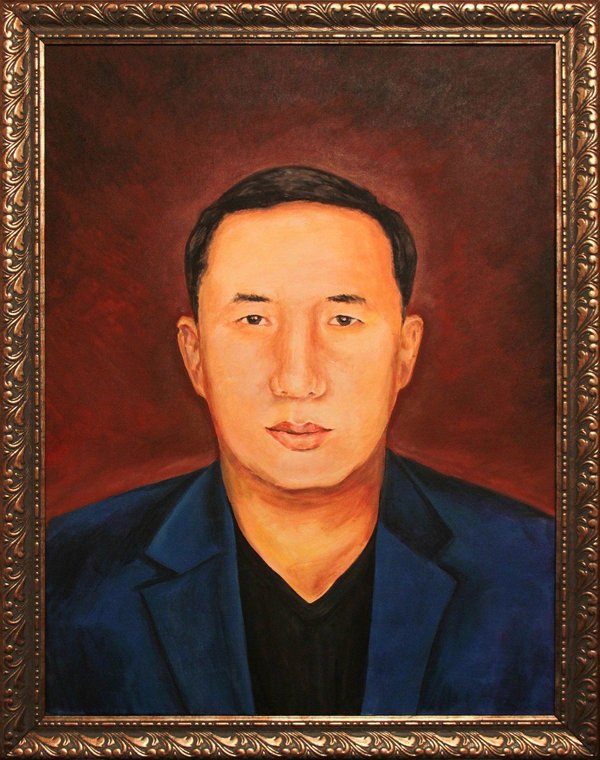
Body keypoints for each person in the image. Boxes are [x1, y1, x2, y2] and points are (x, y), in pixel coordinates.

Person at [46, 166, 554, 716]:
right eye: (253, 318)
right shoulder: (61, 576)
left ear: (405, 353)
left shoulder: (540, 571)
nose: (297, 378)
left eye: (343, 319)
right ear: (194, 356)